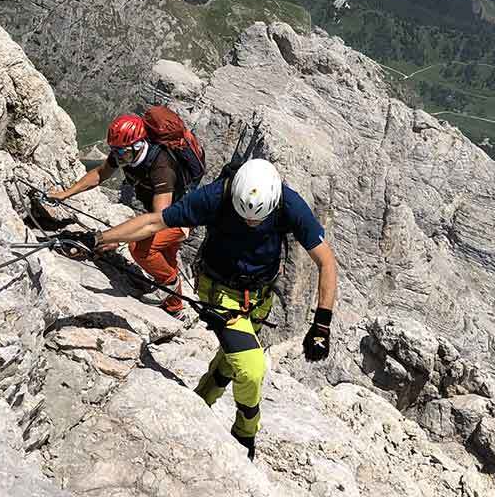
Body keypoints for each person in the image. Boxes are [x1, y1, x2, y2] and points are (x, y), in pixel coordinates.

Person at [85, 157, 338, 461]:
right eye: (246, 217)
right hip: (218, 293)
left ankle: (199, 403)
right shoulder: (216, 196)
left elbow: (325, 260)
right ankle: (245, 433)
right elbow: (155, 221)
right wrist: (97, 238)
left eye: (258, 219)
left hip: (259, 298)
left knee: (231, 361)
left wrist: (322, 323)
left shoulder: (288, 204)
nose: (251, 223)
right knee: (252, 368)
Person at [44, 112, 193, 315]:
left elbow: (159, 219)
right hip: (161, 211)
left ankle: (171, 283)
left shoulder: (162, 167)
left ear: (139, 145)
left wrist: (117, 238)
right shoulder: (124, 151)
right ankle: (175, 308)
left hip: (178, 216)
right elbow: (99, 174)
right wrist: (65, 194)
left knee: (140, 249)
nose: (119, 158)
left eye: (123, 153)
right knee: (165, 258)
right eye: (115, 151)